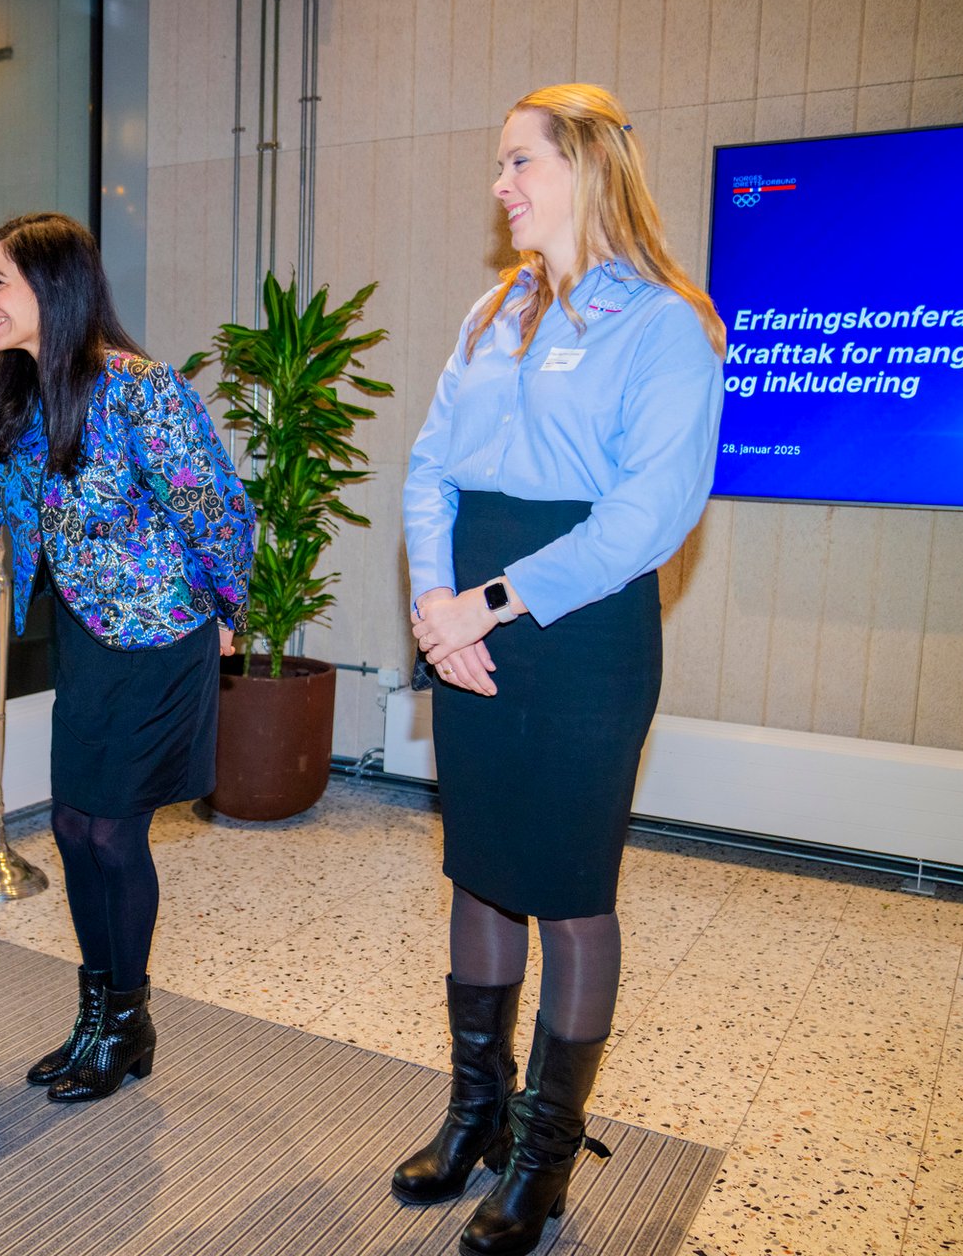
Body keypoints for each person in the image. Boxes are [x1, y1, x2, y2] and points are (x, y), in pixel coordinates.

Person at [396, 84, 726, 1256]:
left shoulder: (667, 324)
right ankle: (475, 1113)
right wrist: (435, 606)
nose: (500, 186)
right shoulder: (493, 311)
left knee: (573, 891)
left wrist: (483, 602)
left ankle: (543, 1156)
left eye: (520, 162)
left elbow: (647, 516)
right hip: (465, 614)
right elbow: (428, 469)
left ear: (587, 166)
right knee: (481, 872)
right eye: (500, 165)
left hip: (579, 628)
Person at [0, 212, 253, 1102]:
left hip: (159, 641)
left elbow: (218, 510)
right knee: (74, 829)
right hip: (84, 639)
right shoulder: (23, 398)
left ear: (54, 287)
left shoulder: (143, 391)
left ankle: (128, 1020)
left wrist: (229, 613)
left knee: (114, 830)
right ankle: (95, 1014)